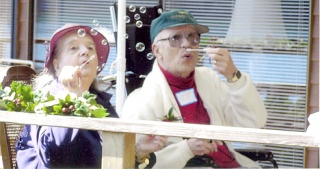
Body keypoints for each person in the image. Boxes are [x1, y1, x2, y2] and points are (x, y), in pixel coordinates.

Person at [121, 9, 268, 168]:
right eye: (175, 38)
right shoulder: (141, 100)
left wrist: (233, 76)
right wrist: (186, 150)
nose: (186, 44)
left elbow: (253, 122)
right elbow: (135, 161)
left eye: (192, 37)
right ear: (157, 51)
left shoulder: (209, 79)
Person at [16, 23, 118, 168]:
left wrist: (140, 153)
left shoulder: (99, 102)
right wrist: (72, 97)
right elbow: (55, 157)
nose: (85, 52)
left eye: (90, 48)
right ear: (57, 66)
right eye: (73, 48)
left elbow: (117, 152)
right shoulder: (46, 100)